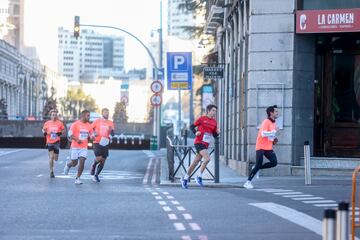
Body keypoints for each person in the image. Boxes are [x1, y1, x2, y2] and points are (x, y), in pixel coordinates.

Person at [181, 104, 220, 189]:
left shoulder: (214, 122)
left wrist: (217, 132)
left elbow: (214, 134)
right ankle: (198, 176)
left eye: (215, 111)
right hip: (199, 142)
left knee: (195, 162)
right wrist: (196, 133)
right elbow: (191, 126)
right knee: (207, 158)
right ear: (208, 111)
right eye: (213, 111)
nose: (214, 112)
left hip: (205, 144)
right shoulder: (202, 119)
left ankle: (185, 178)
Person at [243, 105, 279, 189]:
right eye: (276, 111)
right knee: (258, 164)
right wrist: (274, 131)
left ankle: (257, 168)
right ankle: (247, 182)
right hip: (260, 146)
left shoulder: (273, 122)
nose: (277, 113)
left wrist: (274, 139)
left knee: (274, 162)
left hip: (268, 147)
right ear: (271, 113)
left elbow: (270, 135)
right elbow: (263, 133)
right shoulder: (266, 121)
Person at [63, 110, 94, 185]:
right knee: (74, 163)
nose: (89, 117)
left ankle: (78, 178)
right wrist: (77, 139)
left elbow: (92, 134)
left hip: (84, 147)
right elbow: (70, 134)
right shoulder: (75, 124)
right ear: (83, 116)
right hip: (75, 147)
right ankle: (68, 165)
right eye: (88, 115)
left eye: (89, 115)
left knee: (82, 161)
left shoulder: (89, 125)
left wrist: (92, 137)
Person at [90, 108, 115, 182]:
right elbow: (90, 129)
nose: (107, 114)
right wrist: (93, 134)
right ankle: (94, 165)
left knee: (103, 160)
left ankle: (96, 175)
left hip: (105, 142)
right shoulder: (97, 121)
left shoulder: (110, 122)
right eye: (105, 112)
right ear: (102, 113)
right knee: (99, 158)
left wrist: (111, 133)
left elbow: (113, 133)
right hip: (97, 142)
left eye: (108, 112)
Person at [42, 109, 65, 178]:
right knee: (51, 157)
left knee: (56, 158)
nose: (54, 116)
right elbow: (43, 129)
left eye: (55, 115)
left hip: (56, 142)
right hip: (49, 142)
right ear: (50, 116)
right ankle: (51, 171)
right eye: (53, 115)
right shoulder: (47, 123)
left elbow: (63, 130)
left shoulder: (59, 123)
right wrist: (45, 133)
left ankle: (54, 159)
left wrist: (60, 133)